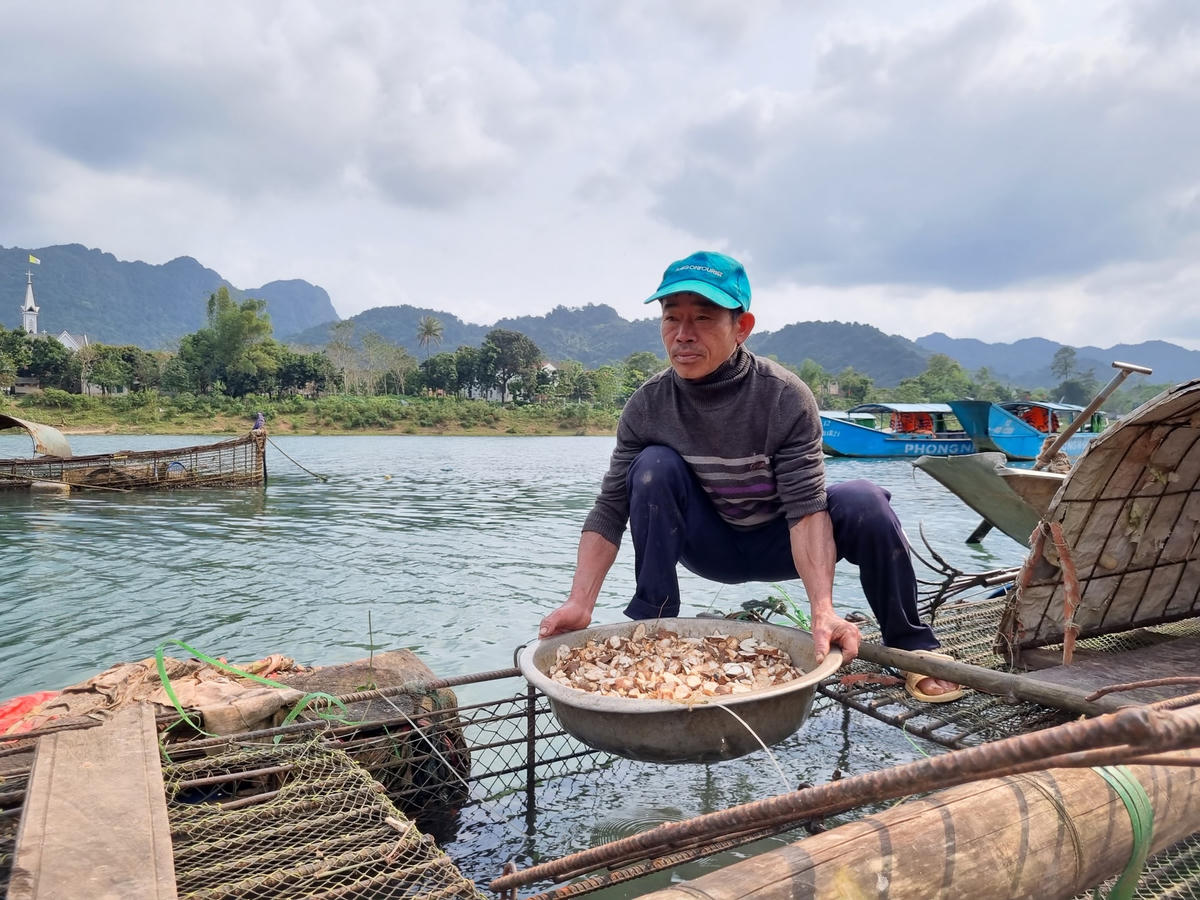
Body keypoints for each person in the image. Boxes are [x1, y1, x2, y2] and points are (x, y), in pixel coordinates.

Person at [538, 250, 961, 701]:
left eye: (703, 318)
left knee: (865, 500)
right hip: (710, 545)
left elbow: (806, 508)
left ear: (741, 328)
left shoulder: (784, 398)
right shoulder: (648, 406)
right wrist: (580, 602)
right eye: (671, 318)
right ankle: (653, 624)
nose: (683, 335)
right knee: (652, 468)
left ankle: (913, 645)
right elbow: (611, 508)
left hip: (782, 542)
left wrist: (823, 610)